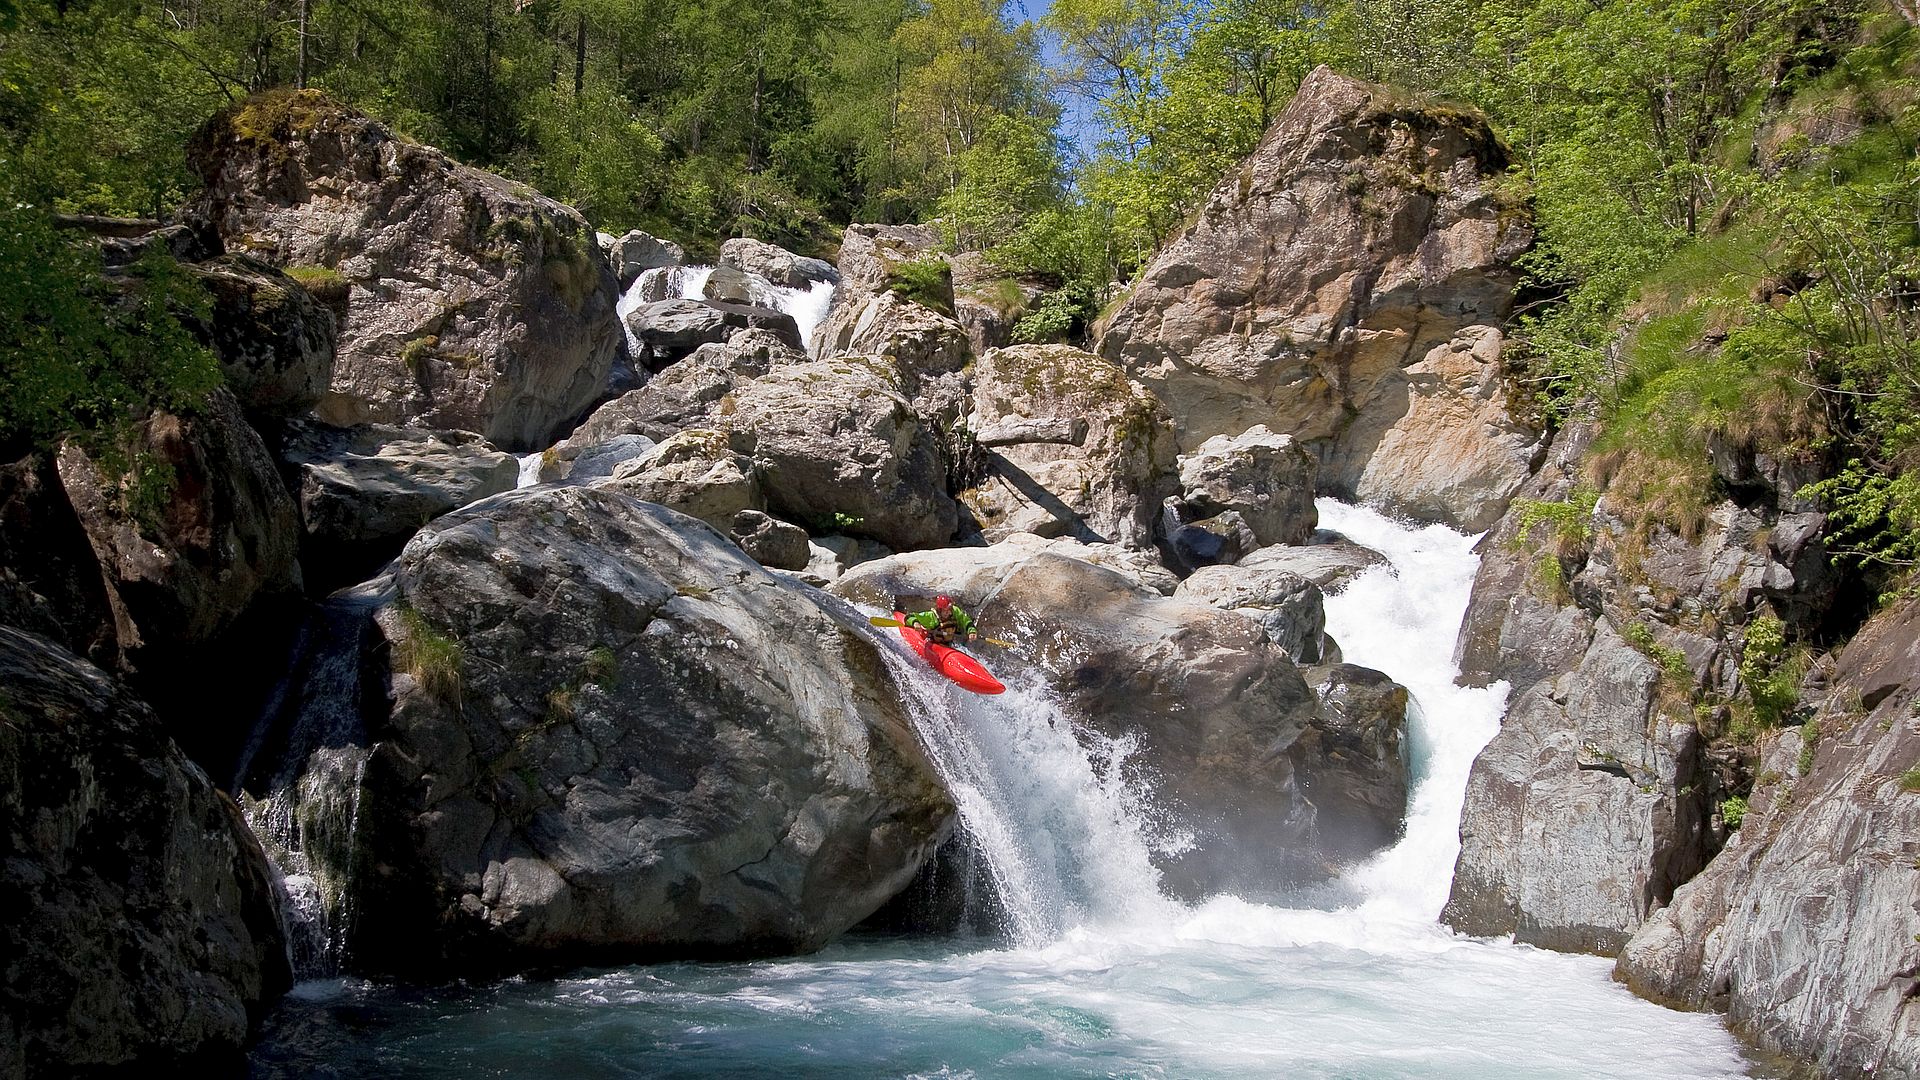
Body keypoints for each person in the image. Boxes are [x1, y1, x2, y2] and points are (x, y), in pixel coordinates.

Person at [905, 595, 977, 646]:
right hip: (934, 645)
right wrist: (915, 623)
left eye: (950, 610)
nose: (949, 612)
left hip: (948, 644)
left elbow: (965, 621)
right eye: (946, 611)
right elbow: (909, 617)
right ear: (939, 610)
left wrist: (971, 631)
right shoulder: (931, 617)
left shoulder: (955, 611)